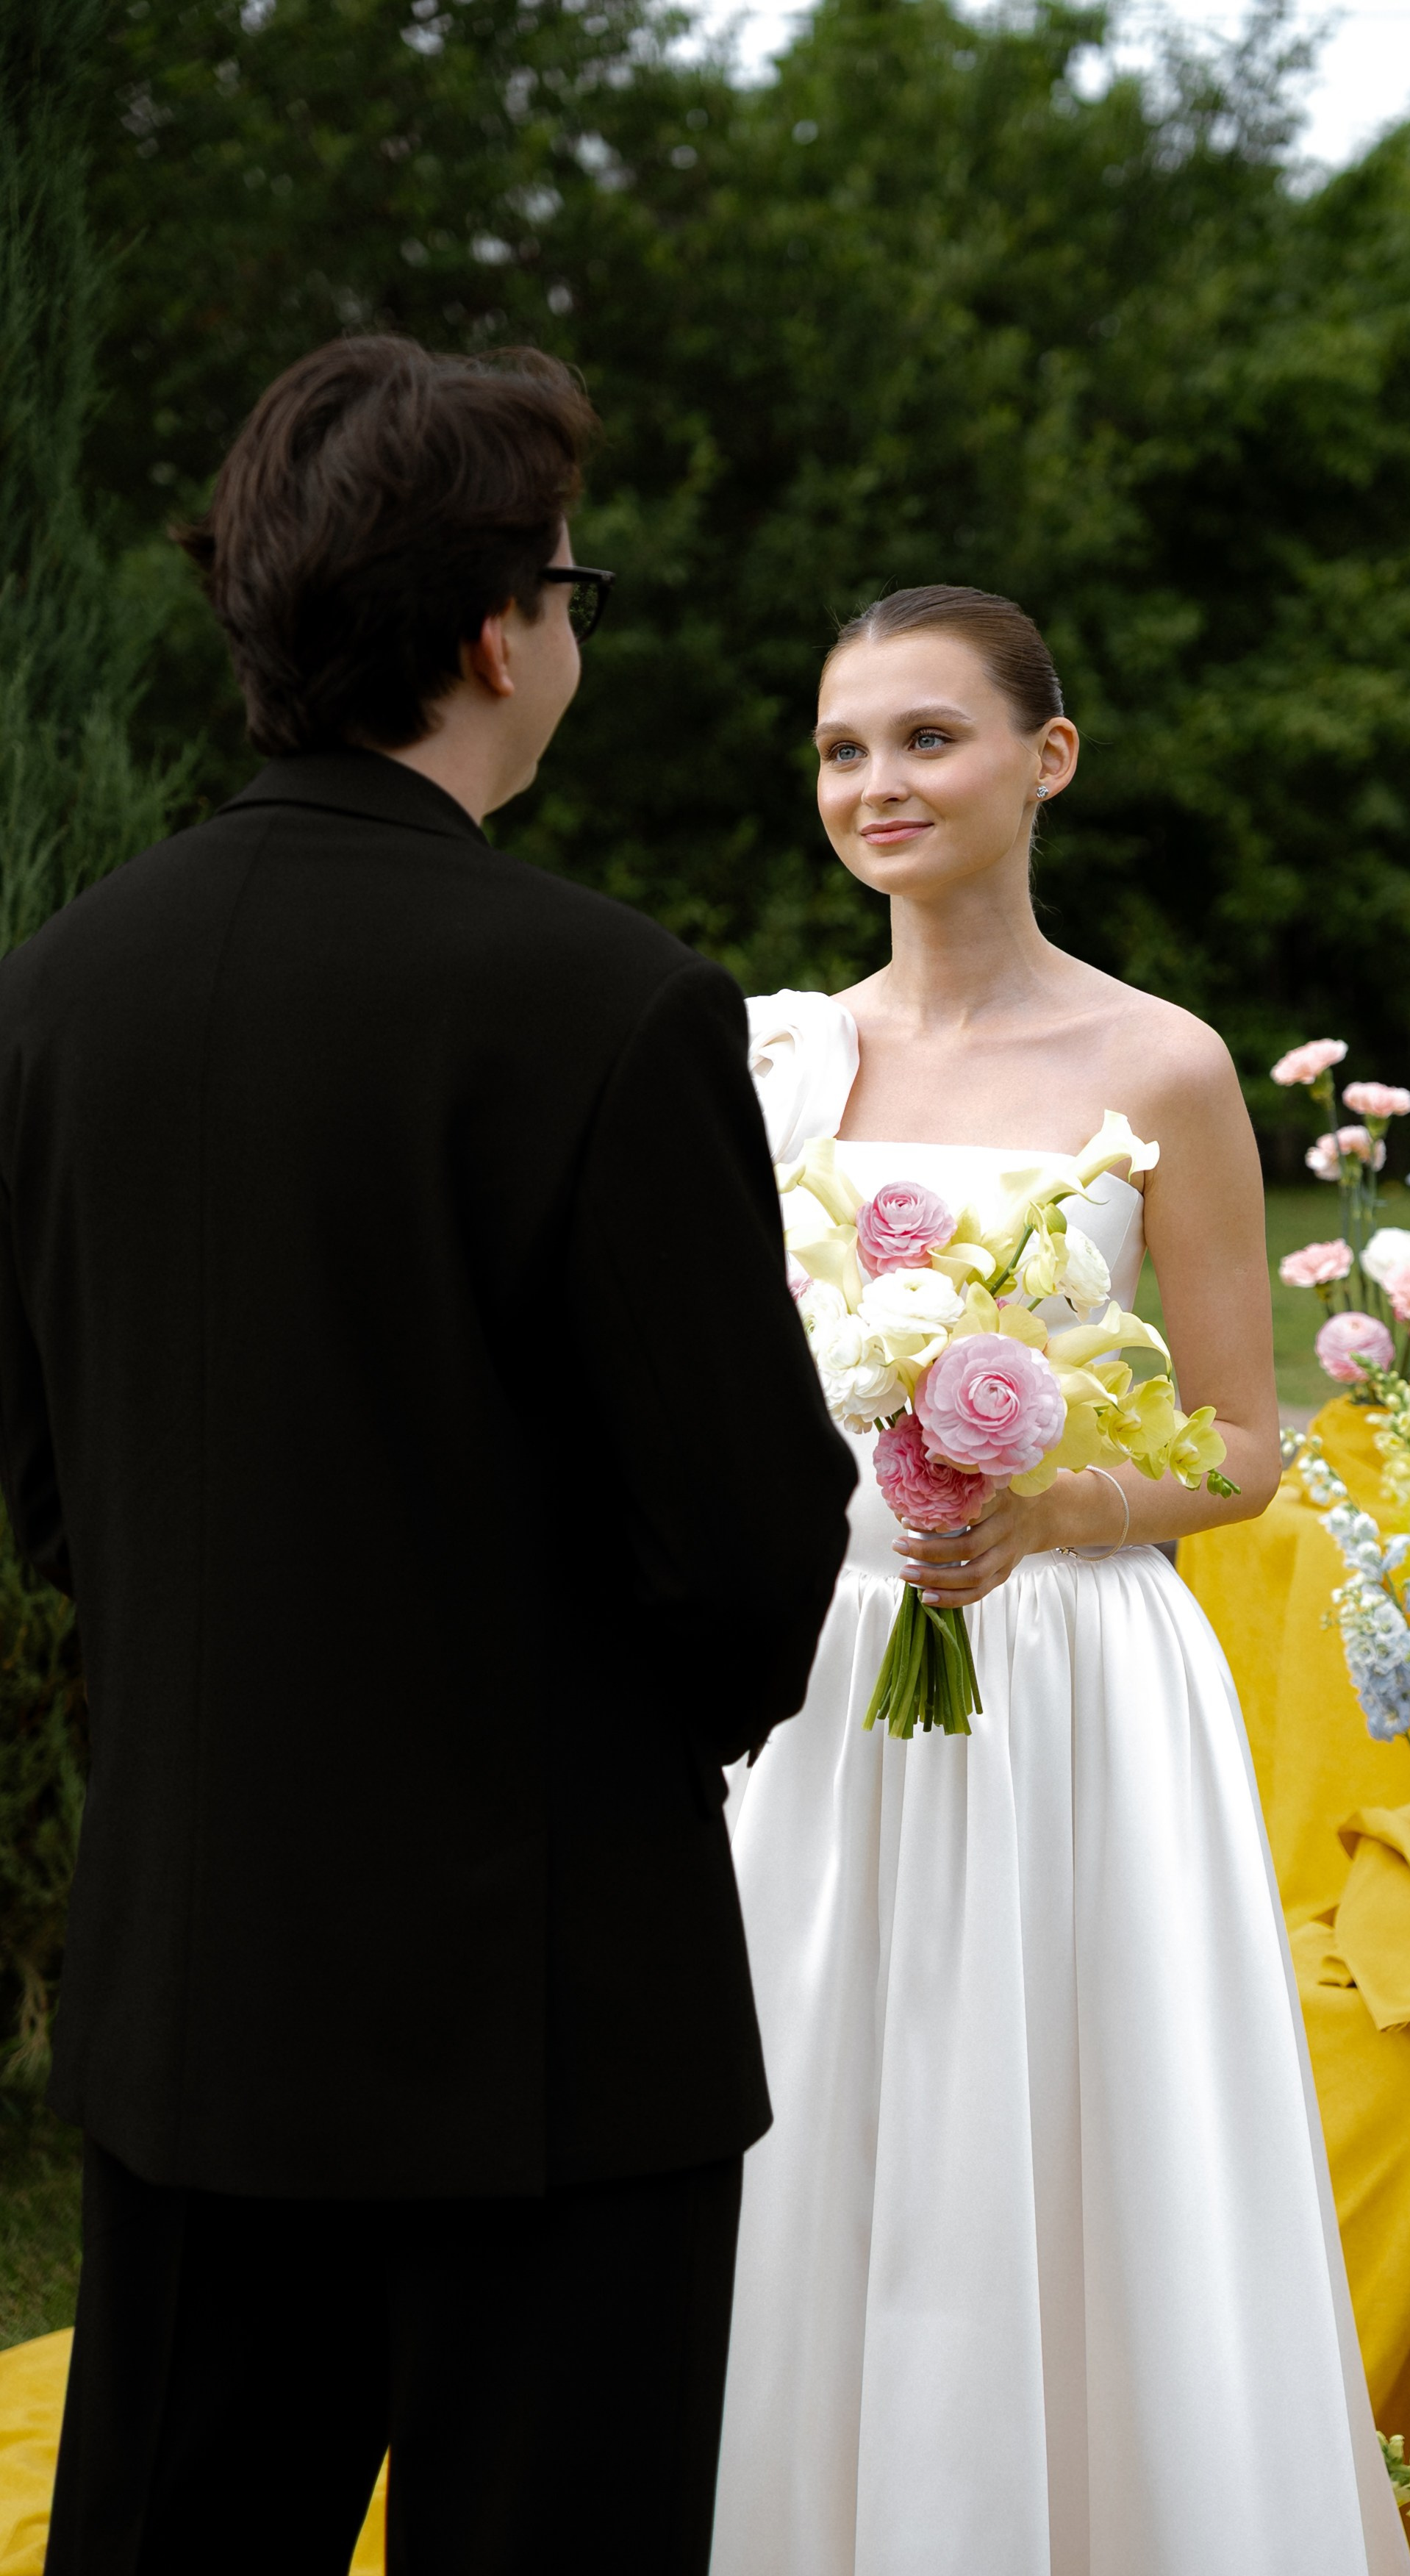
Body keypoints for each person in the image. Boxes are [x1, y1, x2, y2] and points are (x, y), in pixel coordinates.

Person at [0, 336, 855, 2576]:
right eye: (572, 590)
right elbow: (753, 1551)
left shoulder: (62, 987)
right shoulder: (606, 1001)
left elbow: (38, 1474)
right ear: (500, 628)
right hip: (552, 2030)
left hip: (193, 1991)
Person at [713, 587, 1410, 2575]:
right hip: (827, 1672)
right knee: (815, 2118)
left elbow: (1246, 1450)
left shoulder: (1165, 1065)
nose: (878, 785)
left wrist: (1052, 1509)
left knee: (1070, 2140)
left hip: (1075, 1679)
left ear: (1049, 759)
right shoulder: (765, 1063)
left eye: (928, 738)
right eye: (845, 748)